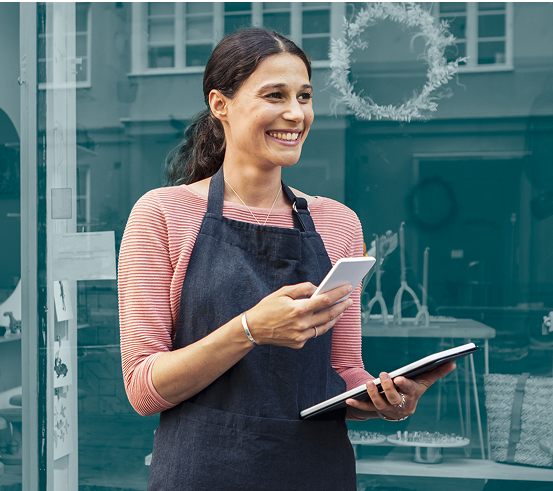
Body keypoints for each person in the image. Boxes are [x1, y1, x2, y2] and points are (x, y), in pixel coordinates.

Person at [118, 28, 456, 490]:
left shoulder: (339, 223)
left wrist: (381, 397)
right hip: (203, 473)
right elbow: (142, 388)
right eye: (275, 95)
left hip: (315, 471)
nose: (295, 114)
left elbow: (341, 370)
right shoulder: (162, 214)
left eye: (305, 96)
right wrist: (251, 330)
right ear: (221, 105)